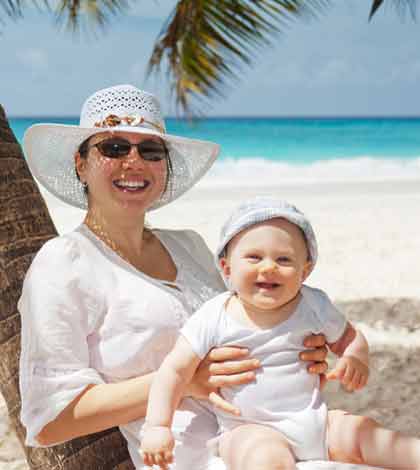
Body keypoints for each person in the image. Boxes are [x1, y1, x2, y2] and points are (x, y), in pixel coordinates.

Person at [18, 85, 329, 469]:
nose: (134, 162)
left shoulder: (190, 247)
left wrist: (297, 344)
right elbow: (50, 420)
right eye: (114, 148)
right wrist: (184, 379)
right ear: (81, 163)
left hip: (279, 435)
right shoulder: (63, 264)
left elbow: (246, 322)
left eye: (150, 151)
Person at [141, 197, 420, 470]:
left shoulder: (314, 304)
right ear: (226, 268)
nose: (268, 267)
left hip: (317, 423)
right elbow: (174, 371)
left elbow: (349, 337)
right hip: (247, 430)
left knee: (367, 433)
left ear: (305, 271)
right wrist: (157, 426)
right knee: (265, 458)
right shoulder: (214, 315)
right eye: (254, 257)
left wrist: (355, 357)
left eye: (284, 259)